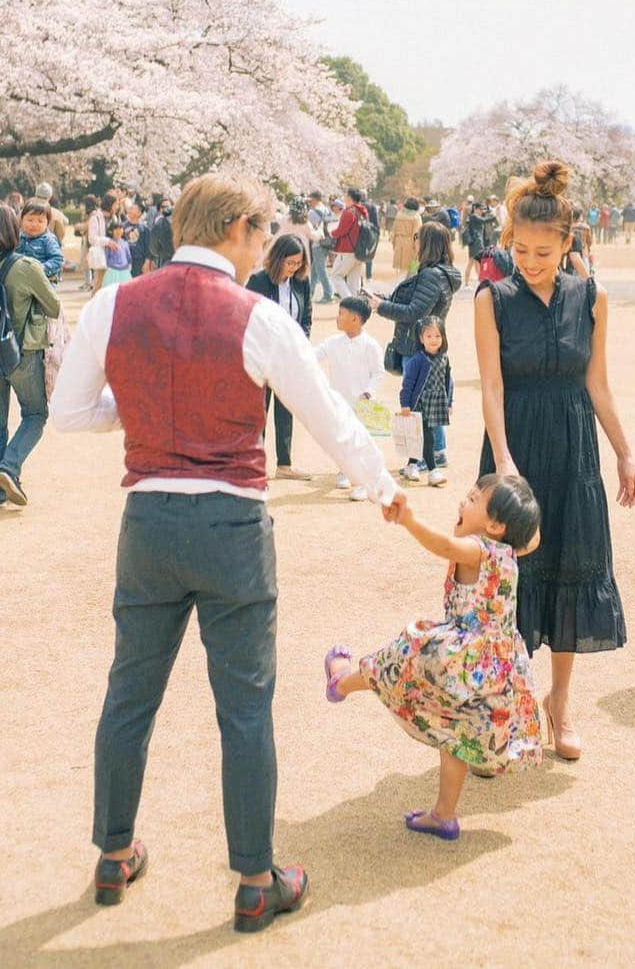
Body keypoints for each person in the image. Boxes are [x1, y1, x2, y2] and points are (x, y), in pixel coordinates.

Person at [50, 172, 406, 930]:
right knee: (244, 707)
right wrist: (380, 486)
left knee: (129, 693)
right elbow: (325, 413)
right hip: (233, 524)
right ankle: (254, 876)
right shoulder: (257, 315)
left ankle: (113, 854)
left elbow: (70, 412)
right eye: (264, 232)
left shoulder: (115, 302)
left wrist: (143, 405)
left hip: (148, 518)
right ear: (239, 228)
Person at [475, 160, 635, 761]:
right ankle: (507, 711)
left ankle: (560, 704)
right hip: (514, 447)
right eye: (520, 248)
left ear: (568, 243)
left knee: (571, 573)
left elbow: (597, 383)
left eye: (544, 251)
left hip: (573, 453)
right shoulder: (492, 299)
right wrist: (503, 462)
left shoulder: (591, 298)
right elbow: (491, 386)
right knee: (505, 586)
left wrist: (624, 452)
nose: (530, 260)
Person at [322, 476, 543, 836]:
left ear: (495, 525)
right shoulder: (511, 550)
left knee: (395, 661)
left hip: (462, 655)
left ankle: (341, 683)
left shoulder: (478, 549)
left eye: (473, 499)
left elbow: (442, 546)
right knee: (455, 734)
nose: (462, 501)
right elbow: (532, 537)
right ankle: (443, 814)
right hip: (495, 665)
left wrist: (408, 518)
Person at [0, 202, 62, 508]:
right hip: (22, 352)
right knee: (35, 415)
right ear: (9, 229)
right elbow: (54, 307)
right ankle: (9, 467)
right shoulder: (27, 267)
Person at [246, 234, 314, 480]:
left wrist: (300, 342)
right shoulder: (258, 281)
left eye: (298, 263)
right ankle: (255, 465)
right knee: (259, 411)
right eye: (290, 263)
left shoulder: (301, 282)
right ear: (277, 259)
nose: (294, 268)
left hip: (290, 357)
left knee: (286, 409)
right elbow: (249, 318)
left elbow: (306, 316)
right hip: (263, 356)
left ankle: (284, 465)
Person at [315, 294, 384, 499]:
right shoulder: (333, 342)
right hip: (338, 401)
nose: (336, 317)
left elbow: (378, 372)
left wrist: (368, 392)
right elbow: (313, 356)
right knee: (341, 439)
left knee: (359, 442)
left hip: (361, 403)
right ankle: (344, 471)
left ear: (355, 319)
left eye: (340, 313)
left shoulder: (370, 345)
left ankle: (362, 483)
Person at [373, 221, 461, 368]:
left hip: (417, 349)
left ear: (427, 243)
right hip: (426, 347)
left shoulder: (431, 275)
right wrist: (387, 300)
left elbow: (415, 313)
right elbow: (419, 303)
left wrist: (381, 307)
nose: (415, 242)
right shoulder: (439, 272)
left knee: (414, 391)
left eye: (417, 237)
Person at [399, 316, 453, 486]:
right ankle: (433, 470)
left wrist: (450, 402)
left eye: (437, 336)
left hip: (437, 402)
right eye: (429, 336)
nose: (434, 340)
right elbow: (407, 384)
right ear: (421, 339)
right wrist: (405, 404)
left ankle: (411, 465)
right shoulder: (417, 360)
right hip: (420, 404)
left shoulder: (444, 358)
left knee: (421, 436)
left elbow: (448, 381)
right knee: (427, 436)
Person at [330, 187, 369, 299]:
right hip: (359, 250)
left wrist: (331, 232)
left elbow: (341, 231)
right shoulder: (362, 212)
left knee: (336, 276)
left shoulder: (349, 212)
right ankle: (355, 307)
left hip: (347, 250)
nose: (344, 197)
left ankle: (349, 302)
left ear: (349, 198)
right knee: (354, 282)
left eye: (346, 195)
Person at [18, 199, 65, 283]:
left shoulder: (48, 239)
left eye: (40, 221)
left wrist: (41, 269)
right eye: (30, 220)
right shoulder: (17, 238)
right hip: (21, 280)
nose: (34, 224)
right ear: (22, 220)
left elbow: (57, 259)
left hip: (43, 281)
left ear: (47, 223)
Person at [391, 197, 423, 274]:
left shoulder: (399, 215)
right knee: (412, 272)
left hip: (399, 244)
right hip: (411, 246)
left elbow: (393, 232)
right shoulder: (416, 217)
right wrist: (418, 248)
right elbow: (416, 235)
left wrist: (395, 244)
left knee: (402, 272)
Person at [122, 203, 150, 278]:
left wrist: (147, 262)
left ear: (139, 213)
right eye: (129, 209)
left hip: (139, 261)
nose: (130, 210)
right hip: (125, 260)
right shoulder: (122, 226)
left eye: (132, 209)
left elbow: (148, 247)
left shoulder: (144, 228)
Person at [102, 221, 133, 287]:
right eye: (116, 229)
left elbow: (128, 257)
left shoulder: (125, 243)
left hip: (124, 272)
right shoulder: (109, 243)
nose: (119, 231)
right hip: (112, 271)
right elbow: (106, 257)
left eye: (120, 228)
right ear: (111, 231)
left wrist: (129, 266)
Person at [148, 197, 174, 270]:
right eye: (163, 207)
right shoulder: (157, 223)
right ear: (159, 209)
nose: (166, 208)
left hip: (166, 261)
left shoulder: (159, 224)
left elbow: (154, 248)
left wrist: (160, 253)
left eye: (168, 206)